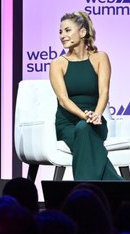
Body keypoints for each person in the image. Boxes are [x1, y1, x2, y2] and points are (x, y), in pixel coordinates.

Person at [49, 11, 121, 180]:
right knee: (82, 129)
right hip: (68, 123)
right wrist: (85, 116)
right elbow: (64, 100)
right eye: (60, 32)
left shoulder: (100, 57)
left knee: (85, 130)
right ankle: (121, 188)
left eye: (67, 30)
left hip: (95, 121)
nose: (63, 36)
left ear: (82, 32)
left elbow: (104, 91)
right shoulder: (58, 64)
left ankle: (82, 194)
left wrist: (96, 115)